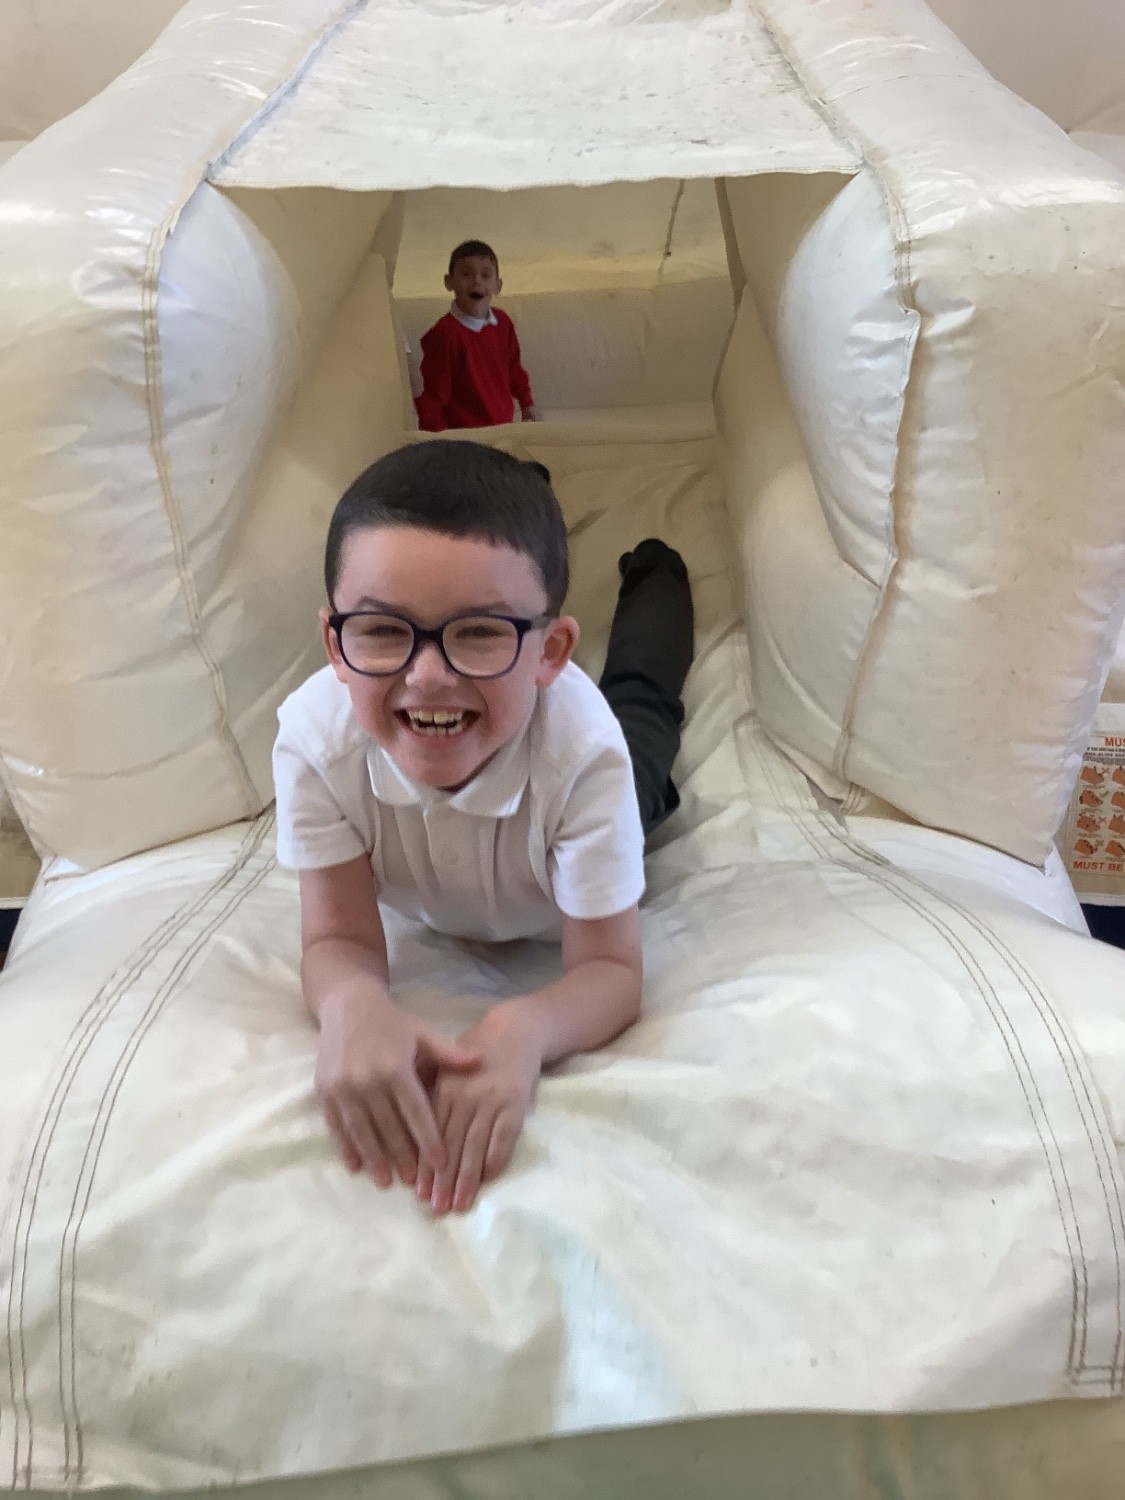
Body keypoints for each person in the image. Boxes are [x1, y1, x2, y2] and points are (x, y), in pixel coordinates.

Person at [273, 440, 693, 1215]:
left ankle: (656, 568)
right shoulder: (314, 740)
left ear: (551, 651)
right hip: (528, 744)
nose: (428, 676)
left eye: (480, 631)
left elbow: (610, 969)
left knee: (641, 702)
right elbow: (337, 940)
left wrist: (525, 1029)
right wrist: (350, 1003)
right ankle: (520, 507)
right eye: (382, 630)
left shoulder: (584, 755)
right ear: (334, 644)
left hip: (583, 776)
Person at [414, 240, 541, 431]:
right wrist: (441, 441)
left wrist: (527, 403)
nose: (477, 281)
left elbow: (514, 368)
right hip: (465, 438)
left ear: (498, 285)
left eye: (486, 275)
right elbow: (432, 397)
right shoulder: (445, 334)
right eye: (466, 274)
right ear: (449, 282)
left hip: (504, 429)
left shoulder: (503, 322)